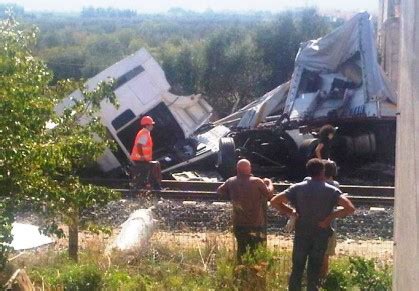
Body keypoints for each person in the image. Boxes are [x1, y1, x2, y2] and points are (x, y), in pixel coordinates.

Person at [270, 158, 355, 291]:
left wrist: (291, 212)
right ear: (323, 171)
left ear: (309, 172)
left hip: (302, 232)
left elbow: (274, 201)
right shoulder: (331, 190)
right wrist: (330, 217)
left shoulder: (297, 188)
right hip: (321, 233)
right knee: (314, 270)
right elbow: (350, 208)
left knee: (297, 268)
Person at [217, 159, 274, 262]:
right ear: (249, 169)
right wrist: (269, 182)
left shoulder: (231, 181)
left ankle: (241, 273)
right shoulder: (256, 181)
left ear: (237, 169)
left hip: (239, 224)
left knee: (242, 251)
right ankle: (254, 274)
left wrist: (232, 195)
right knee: (256, 251)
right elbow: (269, 194)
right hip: (255, 224)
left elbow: (220, 190)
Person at [130, 115, 162, 190]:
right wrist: (142, 156)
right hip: (140, 159)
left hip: (141, 159)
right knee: (144, 175)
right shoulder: (144, 133)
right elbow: (139, 145)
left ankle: (156, 187)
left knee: (149, 172)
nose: (152, 126)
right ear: (147, 125)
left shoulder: (145, 132)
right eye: (151, 124)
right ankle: (137, 190)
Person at [321, 160, 340, 279]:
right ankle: (323, 277)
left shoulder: (310, 181)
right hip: (330, 223)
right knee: (325, 254)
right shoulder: (335, 185)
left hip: (314, 222)